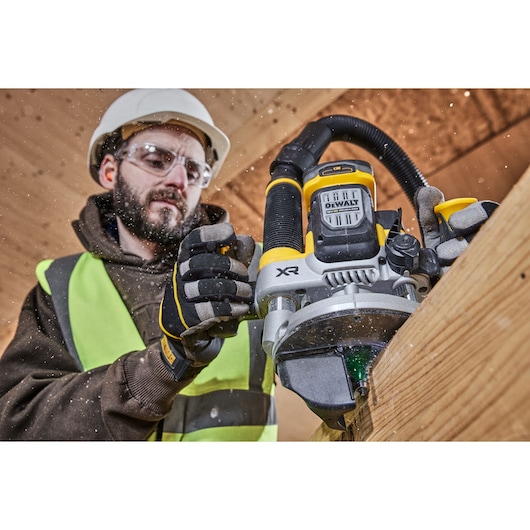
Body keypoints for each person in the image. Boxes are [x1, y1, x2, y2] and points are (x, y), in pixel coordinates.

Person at [0, 89, 277, 441]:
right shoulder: (60, 287)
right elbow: (16, 424)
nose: (178, 181)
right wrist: (163, 365)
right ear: (110, 171)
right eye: (156, 158)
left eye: (194, 170)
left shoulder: (254, 267)